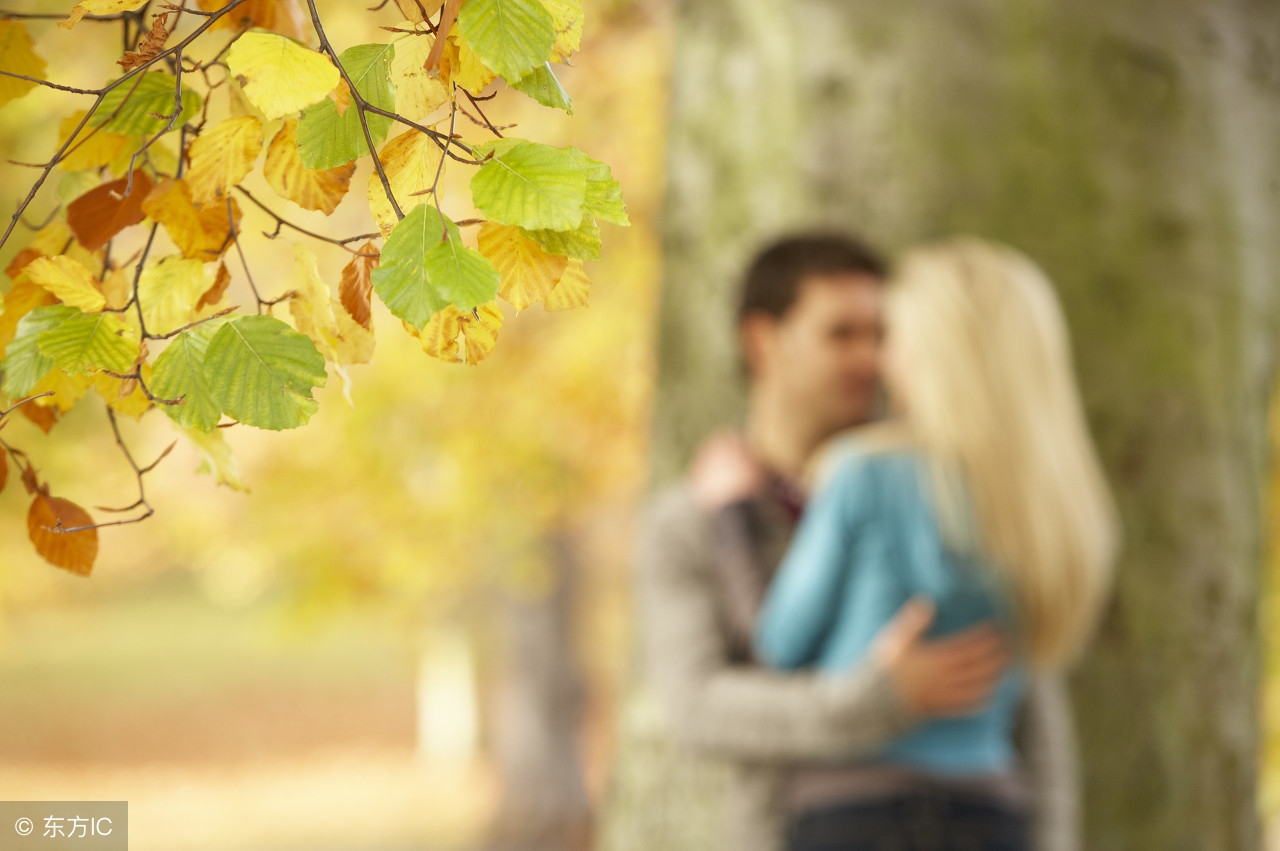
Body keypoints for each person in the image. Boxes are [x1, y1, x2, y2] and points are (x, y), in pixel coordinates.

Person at [627, 234, 1082, 851]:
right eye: (842, 335)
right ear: (763, 343)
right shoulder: (688, 525)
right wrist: (877, 700)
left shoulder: (949, 491)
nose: (871, 358)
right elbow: (699, 706)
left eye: (882, 333)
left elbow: (1034, 717)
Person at [753, 237, 1119, 850]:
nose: (881, 359)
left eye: (892, 338)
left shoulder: (863, 473)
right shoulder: (1055, 509)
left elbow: (779, 644)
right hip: (989, 814)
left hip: (855, 813)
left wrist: (736, 518)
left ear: (935, 355)